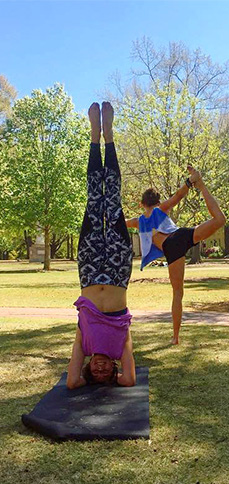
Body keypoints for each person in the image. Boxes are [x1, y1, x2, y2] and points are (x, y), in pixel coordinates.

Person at [67, 102, 135, 389]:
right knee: (113, 202)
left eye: (95, 372)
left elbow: (71, 383)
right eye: (106, 373)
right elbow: (130, 380)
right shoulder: (121, 348)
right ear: (114, 369)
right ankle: (109, 135)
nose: (100, 368)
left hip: (90, 269)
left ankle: (94, 136)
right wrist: (118, 378)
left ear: (88, 370)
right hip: (119, 271)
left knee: (95, 201)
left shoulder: (84, 342)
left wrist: (81, 378)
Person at [126, 168, 226, 345]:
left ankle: (176, 337)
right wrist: (190, 182)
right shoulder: (160, 210)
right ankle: (202, 186)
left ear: (142, 204)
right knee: (219, 220)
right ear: (157, 202)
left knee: (177, 293)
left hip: (171, 248)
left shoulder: (139, 221)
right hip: (180, 236)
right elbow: (178, 196)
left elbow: (120, 223)